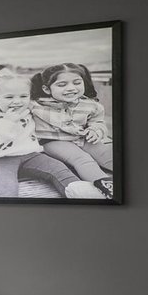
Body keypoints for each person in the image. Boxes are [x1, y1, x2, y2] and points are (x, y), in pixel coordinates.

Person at [0, 71, 104, 199]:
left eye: (23, 96)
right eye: (9, 97)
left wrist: (92, 126)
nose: (17, 101)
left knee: (59, 169)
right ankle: (5, 214)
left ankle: (84, 193)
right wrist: (8, 122)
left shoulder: (28, 109)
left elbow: (53, 106)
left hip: (30, 154)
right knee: (3, 188)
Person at [30, 63, 115, 199]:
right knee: (82, 159)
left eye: (77, 82)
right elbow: (1, 102)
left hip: (83, 138)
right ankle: (106, 185)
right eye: (62, 85)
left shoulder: (91, 105)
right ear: (46, 89)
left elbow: (98, 122)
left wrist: (95, 130)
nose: (71, 88)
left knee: (105, 153)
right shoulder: (36, 105)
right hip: (54, 141)